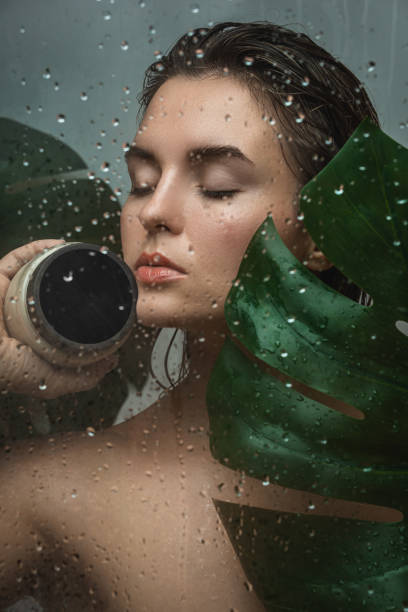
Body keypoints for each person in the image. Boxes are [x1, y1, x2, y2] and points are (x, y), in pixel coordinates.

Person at [0, 20, 402, 612]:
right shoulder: (51, 490)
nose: (153, 212)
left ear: (321, 229)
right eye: (141, 181)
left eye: (215, 187)